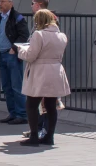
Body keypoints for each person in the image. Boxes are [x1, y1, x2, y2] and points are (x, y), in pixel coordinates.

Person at [16, 9, 71, 146]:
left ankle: (34, 136)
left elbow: (31, 55)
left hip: (40, 71)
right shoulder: (62, 36)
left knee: (31, 104)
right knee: (51, 105)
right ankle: (49, 136)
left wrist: (21, 50)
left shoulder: (38, 35)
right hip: (56, 70)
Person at [0, 0, 30, 125]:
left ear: (11, 3)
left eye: (3, 1)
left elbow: (24, 35)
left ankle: (22, 114)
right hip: (2, 54)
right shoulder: (1, 18)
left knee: (16, 86)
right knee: (7, 86)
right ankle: (12, 112)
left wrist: (14, 48)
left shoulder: (17, 17)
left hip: (11, 54)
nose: (0, 4)